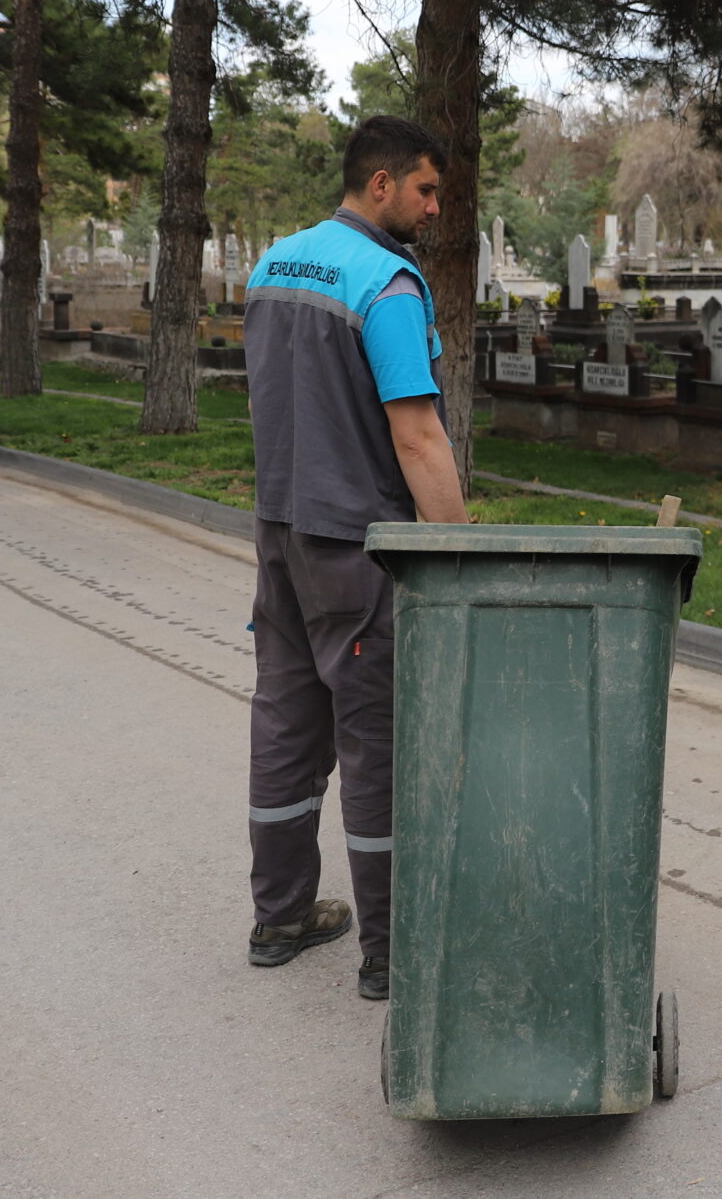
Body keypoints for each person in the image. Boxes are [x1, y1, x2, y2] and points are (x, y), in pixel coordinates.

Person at [240, 114, 470, 1001]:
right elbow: (418, 436)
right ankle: (391, 950)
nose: (434, 207)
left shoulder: (273, 266)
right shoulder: (389, 283)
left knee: (285, 724)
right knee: (377, 745)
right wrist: (459, 559)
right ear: (382, 184)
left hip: (280, 534)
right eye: (425, 189)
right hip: (355, 547)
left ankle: (280, 915)